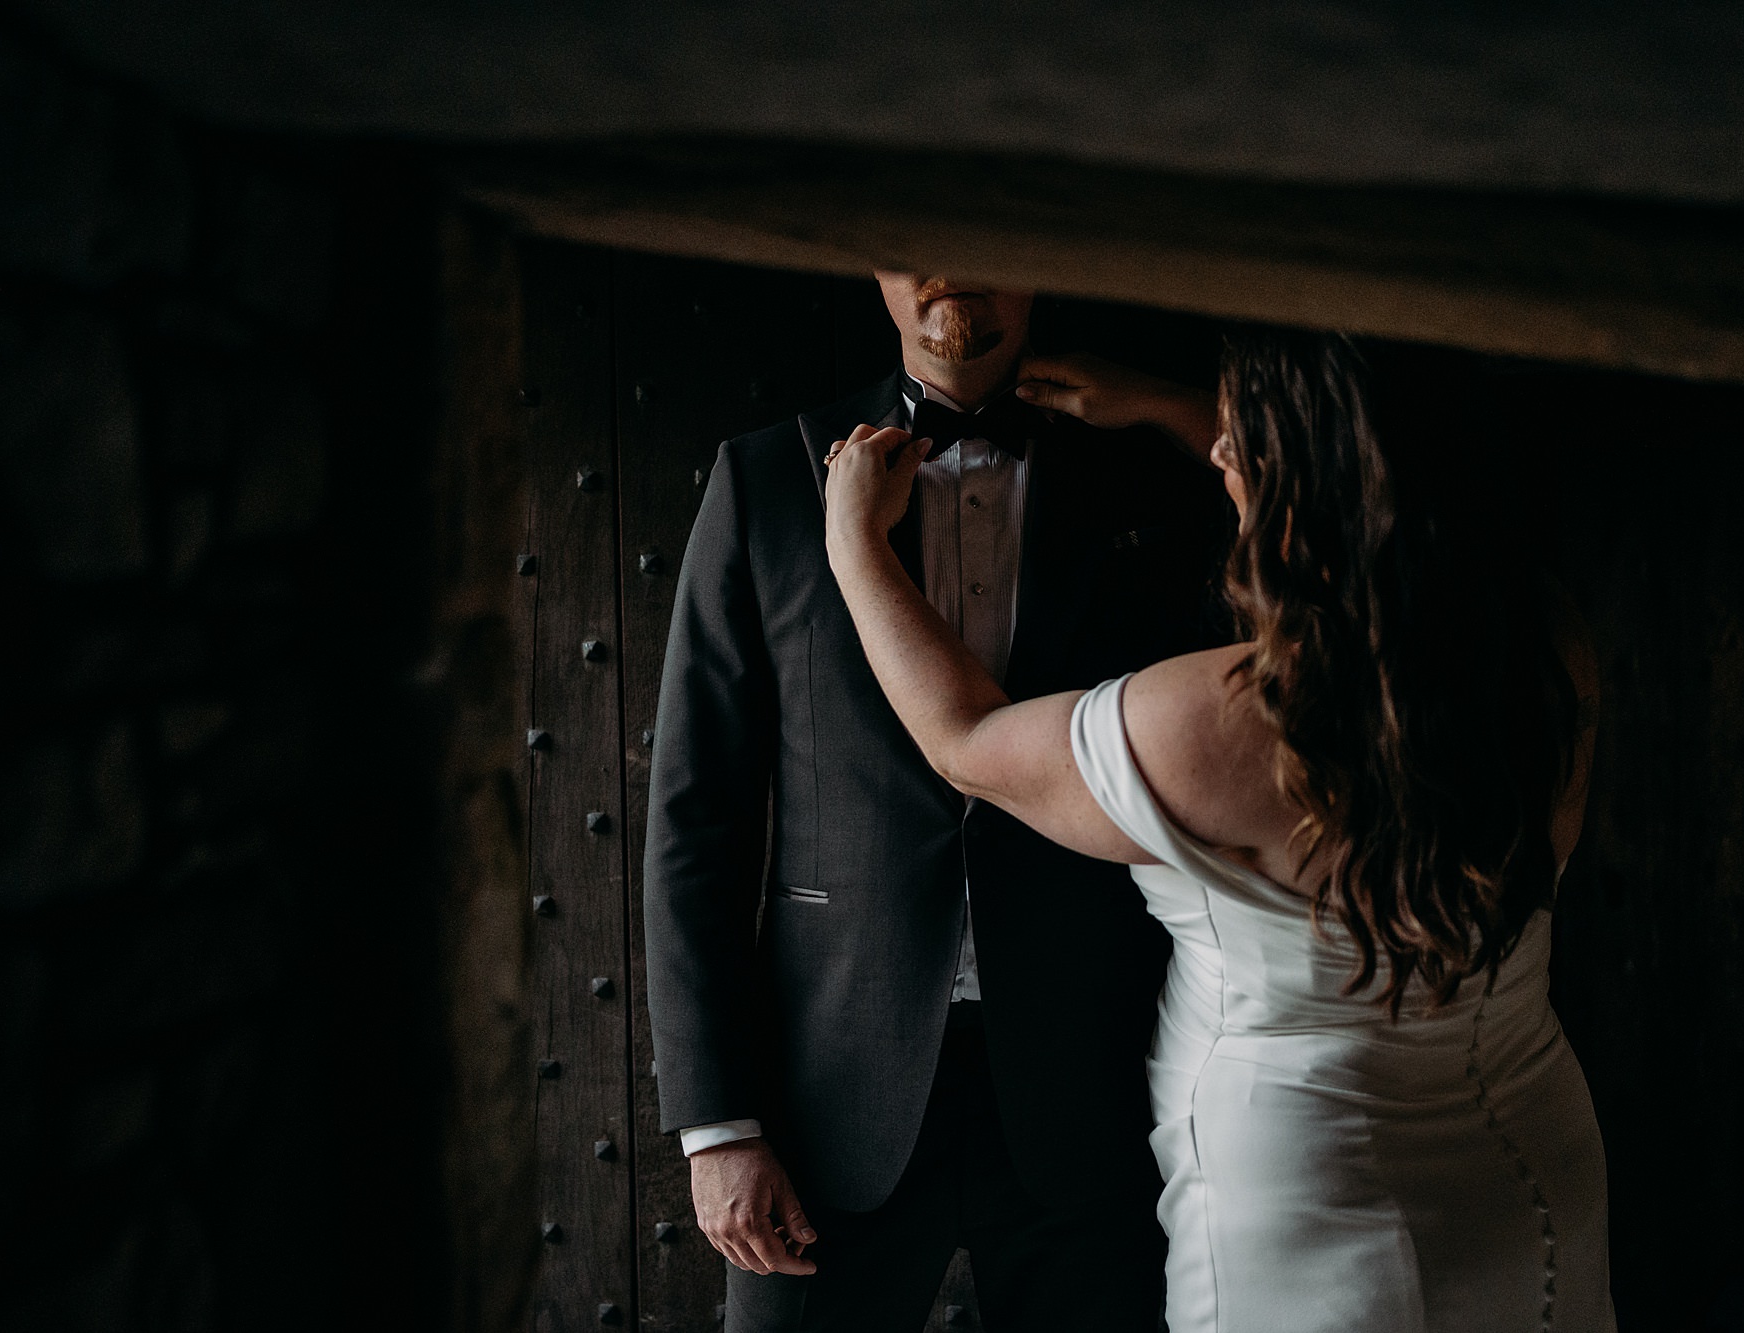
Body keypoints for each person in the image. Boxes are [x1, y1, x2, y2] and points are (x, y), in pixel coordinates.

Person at [823, 327, 1617, 1332]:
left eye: (1237, 443)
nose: (1217, 457)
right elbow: (1385, 486)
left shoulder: (1209, 724)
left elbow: (963, 736)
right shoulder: (1542, 643)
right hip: (1531, 1161)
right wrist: (1169, 401)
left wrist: (852, 543)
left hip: (1306, 1197)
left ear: (1282, 477)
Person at [640, 272, 1227, 1331]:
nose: (950, 268)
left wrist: (1166, 404)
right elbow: (697, 818)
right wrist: (716, 1125)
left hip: (1092, 1088)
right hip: (825, 1102)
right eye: (917, 241)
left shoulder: (1146, 474)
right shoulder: (766, 475)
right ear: (872, 264)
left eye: (985, 242)